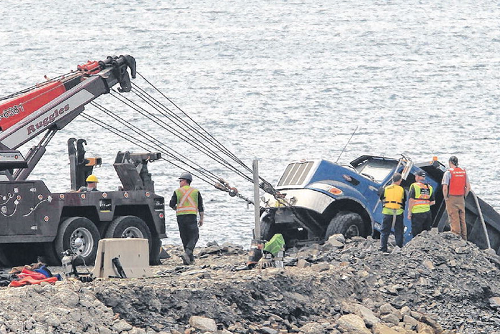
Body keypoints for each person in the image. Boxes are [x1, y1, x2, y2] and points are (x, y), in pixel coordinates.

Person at [169, 172, 204, 265]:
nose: (180, 183)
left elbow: (171, 204)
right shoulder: (195, 192)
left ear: (185, 181)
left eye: (181, 181)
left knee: (184, 236)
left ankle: (189, 259)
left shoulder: (177, 192)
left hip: (180, 216)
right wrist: (201, 219)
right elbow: (200, 206)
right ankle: (188, 253)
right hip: (191, 216)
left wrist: (176, 208)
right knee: (194, 235)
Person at [442, 156, 471, 240]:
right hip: (461, 197)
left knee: (453, 216)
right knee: (462, 217)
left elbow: (445, 188)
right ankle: (464, 237)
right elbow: (468, 187)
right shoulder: (463, 172)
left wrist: (446, 197)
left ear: (450, 162)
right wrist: (464, 196)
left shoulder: (448, 173)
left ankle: (456, 235)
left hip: (452, 197)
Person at [379, 172, 406, 253]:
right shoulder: (402, 189)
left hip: (387, 212)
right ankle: (398, 248)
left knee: (384, 231)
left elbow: (381, 198)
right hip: (398, 213)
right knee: (398, 231)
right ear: (400, 180)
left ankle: (383, 248)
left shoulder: (386, 188)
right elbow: (404, 200)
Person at [408, 170, 435, 237]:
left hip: (417, 213)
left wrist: (409, 213)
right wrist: (425, 204)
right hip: (427, 213)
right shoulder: (429, 187)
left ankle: (416, 247)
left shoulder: (414, 186)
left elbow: (411, 200)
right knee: (426, 233)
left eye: (416, 176)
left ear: (418, 177)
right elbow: (433, 202)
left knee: (416, 234)